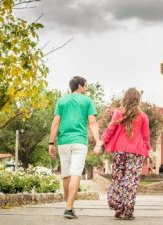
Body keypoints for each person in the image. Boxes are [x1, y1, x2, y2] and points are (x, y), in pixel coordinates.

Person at [48, 76, 102, 219]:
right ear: (79, 86)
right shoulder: (87, 101)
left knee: (66, 174)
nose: (86, 88)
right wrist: (98, 141)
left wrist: (51, 143)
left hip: (63, 142)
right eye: (85, 86)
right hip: (79, 142)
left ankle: (68, 206)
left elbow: (55, 123)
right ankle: (69, 208)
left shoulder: (61, 101)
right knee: (76, 173)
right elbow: (92, 123)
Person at [101, 88, 151, 220]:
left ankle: (118, 207)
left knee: (119, 178)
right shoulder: (143, 116)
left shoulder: (118, 113)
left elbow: (110, 129)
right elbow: (146, 138)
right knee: (131, 181)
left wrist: (101, 141)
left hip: (120, 150)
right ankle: (127, 210)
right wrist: (146, 154)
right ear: (138, 100)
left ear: (125, 98)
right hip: (136, 152)